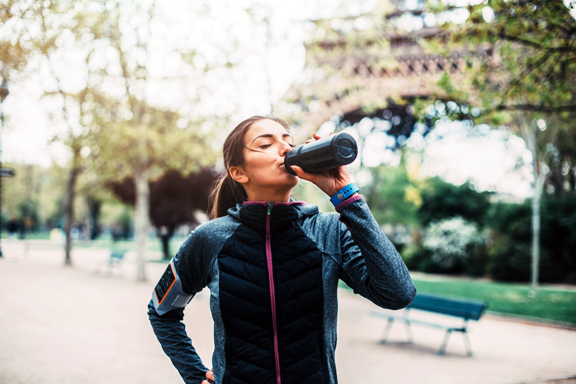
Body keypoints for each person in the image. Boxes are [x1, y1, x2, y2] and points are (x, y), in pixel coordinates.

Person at [148, 116, 416, 384]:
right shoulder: (210, 239)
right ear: (238, 172)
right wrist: (195, 375)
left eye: (289, 141)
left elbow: (397, 294)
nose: (285, 148)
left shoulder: (329, 231)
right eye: (266, 144)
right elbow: (162, 311)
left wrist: (346, 196)